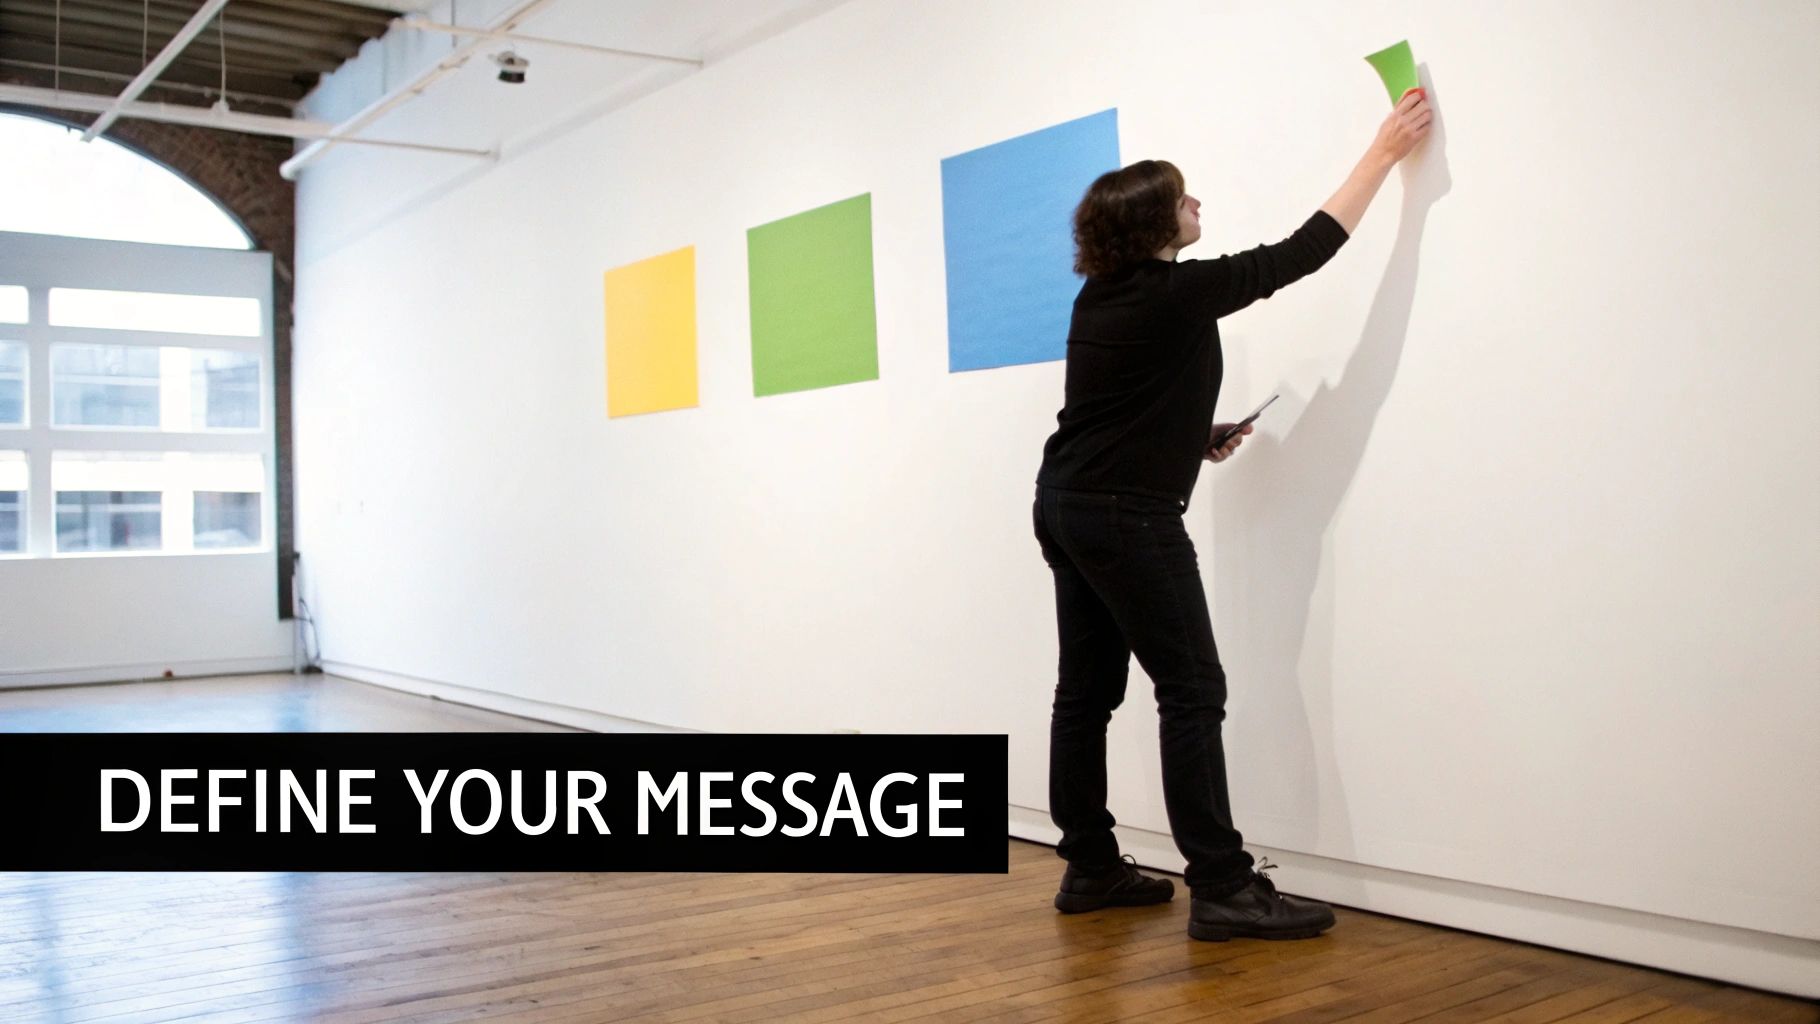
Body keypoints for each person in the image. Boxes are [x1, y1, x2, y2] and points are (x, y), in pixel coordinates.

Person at [1032, 89, 1433, 941]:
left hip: (1068, 503)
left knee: (1087, 692)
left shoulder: (1101, 298)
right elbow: (1303, 252)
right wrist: (1383, 153)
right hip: (1124, 515)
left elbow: (1119, 407)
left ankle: (1091, 868)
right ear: (1153, 225)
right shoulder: (1174, 294)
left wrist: (1191, 437)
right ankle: (1222, 886)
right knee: (1193, 689)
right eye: (1183, 198)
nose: (1197, 205)